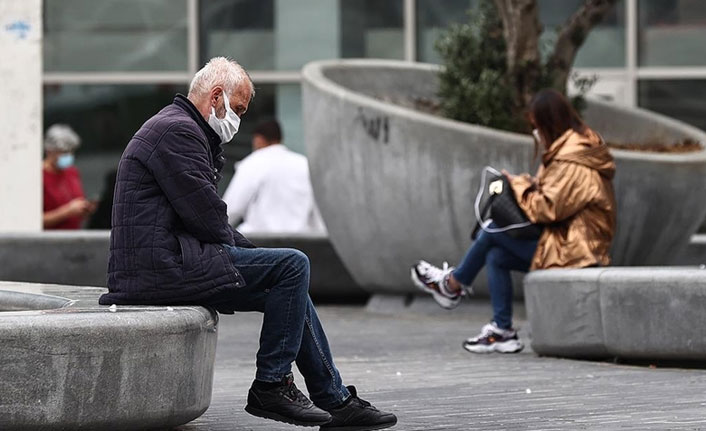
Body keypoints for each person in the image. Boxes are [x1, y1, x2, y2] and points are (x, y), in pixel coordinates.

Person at [99, 57, 396, 430]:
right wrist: (258, 259)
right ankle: (271, 385)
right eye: (237, 109)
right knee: (292, 266)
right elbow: (207, 216)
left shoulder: (179, 128)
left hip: (167, 260)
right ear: (216, 96)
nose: (238, 120)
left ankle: (335, 402)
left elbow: (205, 218)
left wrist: (255, 258)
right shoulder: (177, 132)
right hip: (161, 267)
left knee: (289, 282)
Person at [411, 88, 616, 354]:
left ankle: (453, 284)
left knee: (494, 230)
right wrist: (523, 184)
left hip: (578, 248)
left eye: (536, 126)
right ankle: (502, 330)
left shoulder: (575, 160)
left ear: (548, 123)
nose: (535, 133)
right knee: (496, 254)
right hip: (565, 240)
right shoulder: (568, 150)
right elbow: (553, 196)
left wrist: (516, 185)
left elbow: (547, 208)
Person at [222, 119, 326, 234]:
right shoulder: (304, 164)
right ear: (280, 139)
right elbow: (318, 213)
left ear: (258, 140)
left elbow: (232, 209)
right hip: (300, 242)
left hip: (259, 242)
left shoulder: (253, 162)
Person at [42, 124, 96, 229]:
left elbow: (78, 203)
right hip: (49, 241)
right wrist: (67, 212)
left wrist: (85, 208)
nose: (69, 156)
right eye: (64, 152)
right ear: (49, 151)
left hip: (74, 237)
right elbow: (33, 220)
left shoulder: (72, 172)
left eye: (71, 151)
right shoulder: (39, 176)